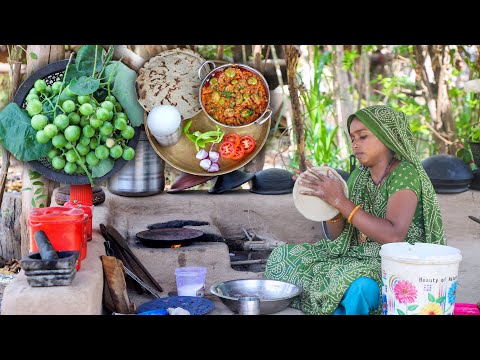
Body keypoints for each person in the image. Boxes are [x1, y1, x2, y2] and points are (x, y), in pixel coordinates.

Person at [264, 105, 446, 315]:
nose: (355, 145)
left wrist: (340, 200)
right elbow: (338, 237)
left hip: (396, 264)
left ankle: (342, 305)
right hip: (357, 256)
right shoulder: (359, 177)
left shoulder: (405, 174)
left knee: (359, 288)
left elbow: (394, 235)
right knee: (283, 256)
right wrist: (329, 205)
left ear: (387, 137)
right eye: (352, 138)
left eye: (363, 137)